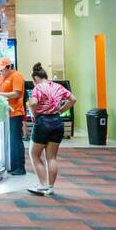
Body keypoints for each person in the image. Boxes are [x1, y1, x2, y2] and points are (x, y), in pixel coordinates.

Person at [27, 63, 76, 197]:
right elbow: (73, 99)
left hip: (43, 122)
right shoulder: (58, 86)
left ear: (35, 78)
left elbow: (32, 103)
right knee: (52, 158)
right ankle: (50, 187)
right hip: (57, 122)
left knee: (35, 155)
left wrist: (34, 113)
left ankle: (42, 185)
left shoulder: (38, 88)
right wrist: (61, 110)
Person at [0, 57, 27, 177]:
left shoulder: (17, 76)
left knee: (15, 140)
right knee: (8, 141)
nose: (1, 72)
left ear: (9, 67)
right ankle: (11, 165)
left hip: (15, 113)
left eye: (3, 69)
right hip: (5, 113)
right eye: (0, 70)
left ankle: (20, 167)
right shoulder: (2, 77)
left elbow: (16, 93)